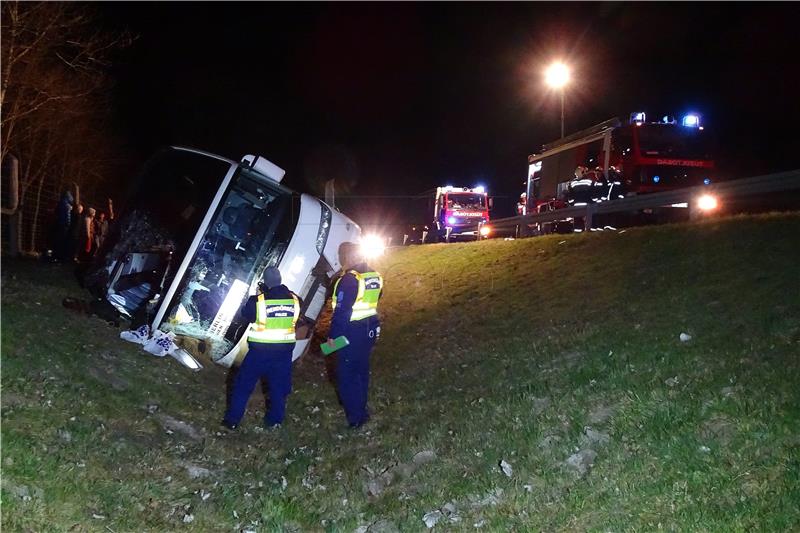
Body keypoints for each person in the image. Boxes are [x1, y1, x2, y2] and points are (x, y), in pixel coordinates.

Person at [222, 267, 300, 429]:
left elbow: (246, 315)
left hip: (259, 354)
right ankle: (275, 422)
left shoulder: (258, 301)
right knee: (279, 389)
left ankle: (232, 421)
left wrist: (259, 294)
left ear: (265, 281)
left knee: (243, 386)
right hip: (284, 354)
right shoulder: (296, 300)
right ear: (280, 279)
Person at [327, 242, 383, 428]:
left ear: (349, 257)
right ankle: (360, 407)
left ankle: (356, 418)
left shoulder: (350, 279)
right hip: (369, 330)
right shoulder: (375, 276)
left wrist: (333, 336)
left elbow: (342, 311)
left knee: (346, 375)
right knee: (361, 371)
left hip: (351, 333)